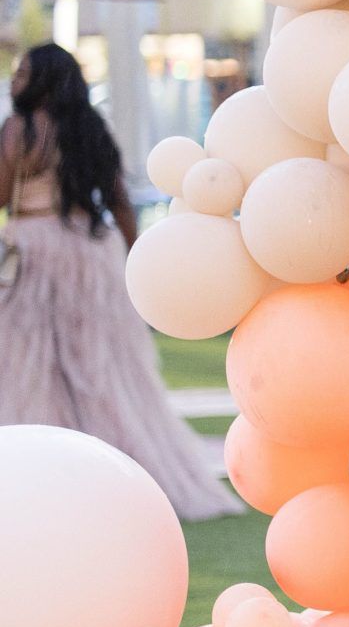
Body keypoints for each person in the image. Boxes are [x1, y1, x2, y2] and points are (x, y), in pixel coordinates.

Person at [0, 43, 230, 520]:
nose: (16, 80)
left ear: (44, 79)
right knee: (102, 370)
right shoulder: (91, 128)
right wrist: (134, 260)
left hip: (33, 252)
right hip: (91, 254)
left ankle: (43, 479)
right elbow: (119, 201)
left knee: (30, 368)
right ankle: (116, 477)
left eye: (23, 71)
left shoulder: (18, 128)